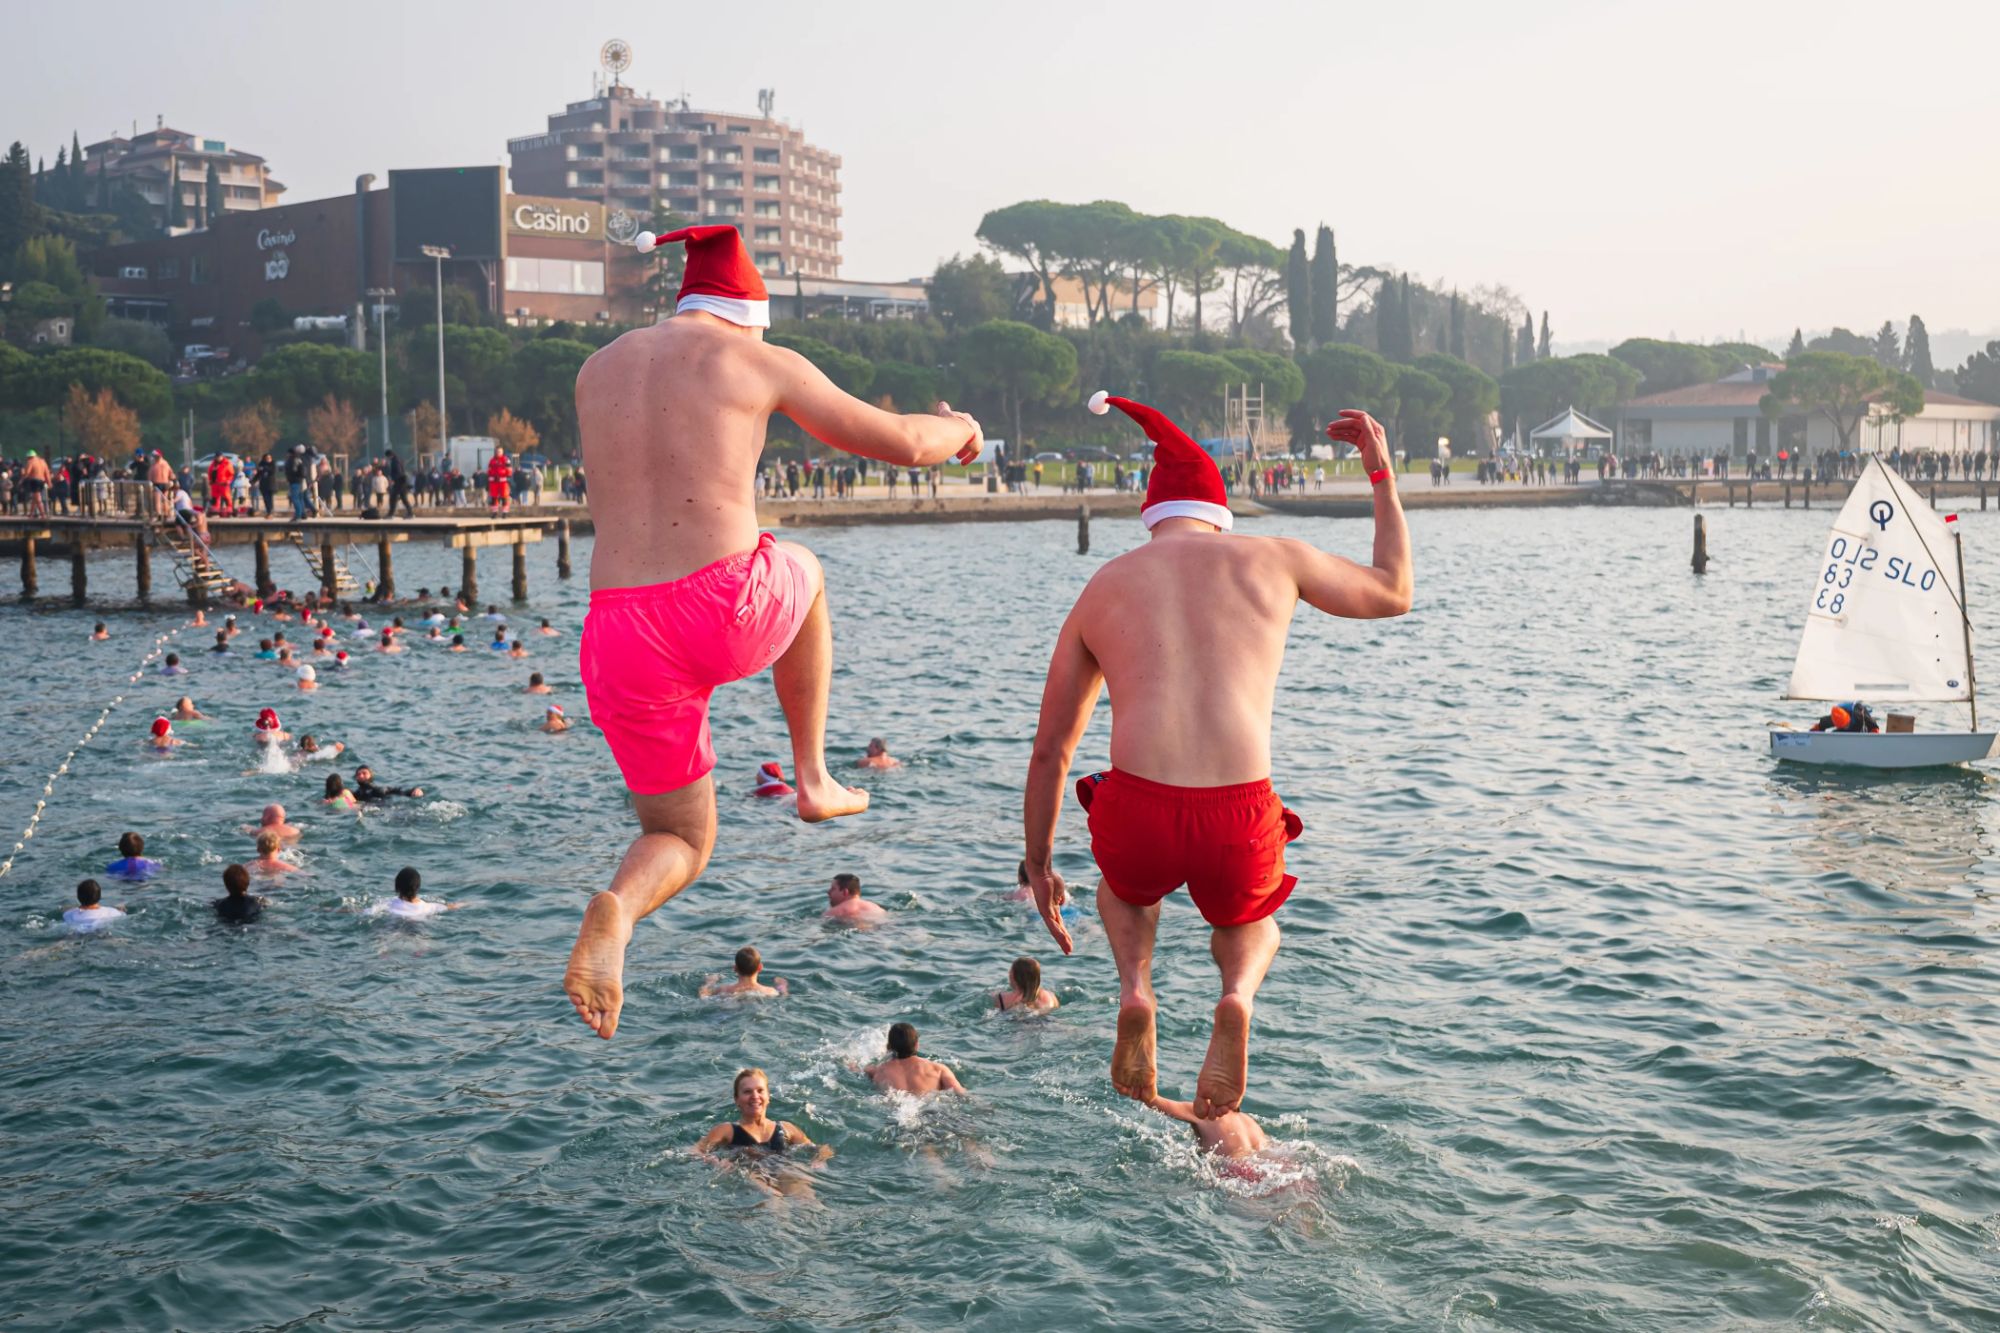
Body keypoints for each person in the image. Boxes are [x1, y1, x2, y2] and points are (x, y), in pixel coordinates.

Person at [563, 224, 981, 1041]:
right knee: (807, 566)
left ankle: (618, 907)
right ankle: (814, 775)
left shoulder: (597, 368)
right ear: (749, 314)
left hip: (616, 629)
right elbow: (899, 441)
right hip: (719, 603)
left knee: (677, 834)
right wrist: (960, 427)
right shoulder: (756, 359)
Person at [1022, 396, 1412, 1117]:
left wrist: (1039, 864)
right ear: (1219, 511)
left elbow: (1051, 749)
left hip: (1138, 806)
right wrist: (1381, 475)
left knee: (1125, 892)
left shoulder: (1104, 585)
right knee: (1251, 920)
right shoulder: (1277, 558)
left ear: (1151, 513)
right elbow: (1394, 591)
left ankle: (1136, 987)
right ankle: (1235, 997)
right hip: (1239, 809)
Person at [693, 1068, 827, 1160]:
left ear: (768, 1097)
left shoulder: (786, 1129)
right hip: (752, 1175)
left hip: (787, 1171)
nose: (755, 1096)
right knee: (771, 1197)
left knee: (806, 1197)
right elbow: (695, 1151)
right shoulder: (726, 1130)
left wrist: (819, 1161)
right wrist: (714, 1161)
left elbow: (822, 1149)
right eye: (747, 1092)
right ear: (736, 1099)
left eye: (760, 1090)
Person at [1143, 1092, 1270, 1165]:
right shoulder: (1250, 1121)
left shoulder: (1206, 1114)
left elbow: (1153, 1101)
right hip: (1268, 1165)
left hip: (1235, 1171)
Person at [866, 1023, 966, 1095]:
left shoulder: (878, 1071)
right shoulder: (938, 1069)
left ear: (889, 1047)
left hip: (900, 1114)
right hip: (933, 1110)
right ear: (917, 1045)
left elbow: (858, 1069)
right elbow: (960, 1093)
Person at [699, 946, 789, 998]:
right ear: (760, 967)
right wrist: (782, 986)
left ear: (735, 968)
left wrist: (709, 983)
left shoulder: (723, 990)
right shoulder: (769, 991)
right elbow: (784, 996)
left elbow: (703, 995)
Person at [374, 866, 461, 918]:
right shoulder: (428, 907)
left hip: (395, 925)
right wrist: (468, 903)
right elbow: (452, 907)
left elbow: (366, 912)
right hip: (417, 926)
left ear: (397, 887)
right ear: (418, 887)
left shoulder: (388, 904)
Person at [353, 764, 424, 801]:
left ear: (371, 775)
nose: (361, 776)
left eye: (364, 773)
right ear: (356, 778)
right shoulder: (355, 794)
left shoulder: (382, 789)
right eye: (358, 774)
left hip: (388, 809)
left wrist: (415, 790)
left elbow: (401, 791)